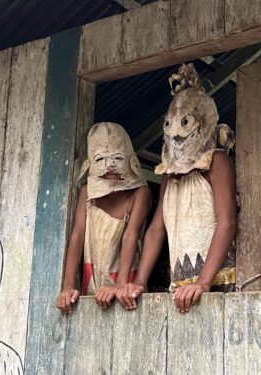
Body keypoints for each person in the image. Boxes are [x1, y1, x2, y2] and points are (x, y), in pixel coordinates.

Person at [116, 63, 237, 313]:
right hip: (180, 286)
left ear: (203, 122)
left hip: (219, 285)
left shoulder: (217, 161)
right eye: (169, 124)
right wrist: (139, 282)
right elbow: (156, 230)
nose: (176, 133)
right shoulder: (169, 175)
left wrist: (203, 282)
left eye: (185, 122)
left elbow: (227, 223)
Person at [56, 122, 150, 313]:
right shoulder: (87, 192)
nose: (110, 166)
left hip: (128, 289)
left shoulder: (140, 192)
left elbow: (130, 235)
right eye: (100, 159)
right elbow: (77, 236)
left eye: (117, 158)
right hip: (92, 287)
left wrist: (120, 285)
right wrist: (67, 286)